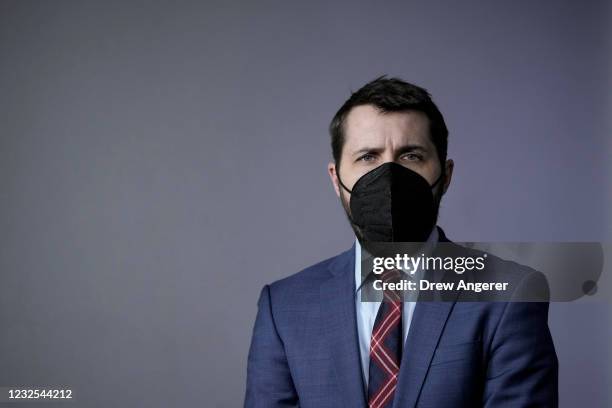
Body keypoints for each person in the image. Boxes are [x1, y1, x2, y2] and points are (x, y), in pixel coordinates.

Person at [244, 76, 558, 407]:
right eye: (368, 157)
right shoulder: (283, 308)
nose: (389, 177)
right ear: (336, 179)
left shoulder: (509, 294)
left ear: (446, 175)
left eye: (411, 155)